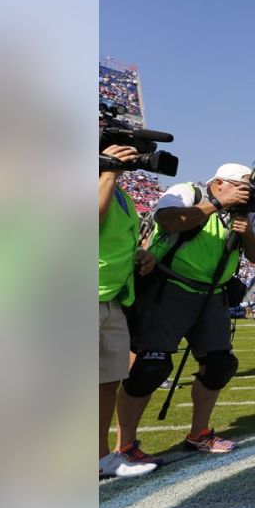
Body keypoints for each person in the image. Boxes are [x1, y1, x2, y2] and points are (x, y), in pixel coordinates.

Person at [116, 163, 255, 457]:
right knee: (150, 368)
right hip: (168, 288)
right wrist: (215, 204)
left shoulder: (244, 211)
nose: (246, 194)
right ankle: (125, 446)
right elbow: (169, 220)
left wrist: (248, 233)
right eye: (241, 187)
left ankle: (199, 433)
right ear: (220, 183)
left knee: (220, 365)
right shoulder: (187, 191)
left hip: (212, 297)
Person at [99, 148, 158, 478]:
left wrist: (139, 254)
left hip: (112, 298)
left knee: (106, 382)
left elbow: (112, 238)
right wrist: (107, 173)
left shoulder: (119, 191)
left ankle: (99, 458)